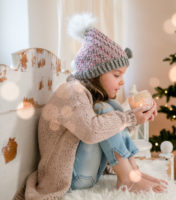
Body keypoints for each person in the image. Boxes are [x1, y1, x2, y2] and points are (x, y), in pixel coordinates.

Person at [13, 13, 166, 200]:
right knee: (105, 110)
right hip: (72, 178)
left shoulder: (89, 95)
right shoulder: (72, 92)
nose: (121, 82)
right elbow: (92, 132)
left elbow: (110, 133)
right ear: (95, 72)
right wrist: (131, 117)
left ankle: (133, 172)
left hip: (88, 172)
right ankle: (127, 178)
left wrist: (138, 118)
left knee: (111, 106)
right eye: (116, 75)